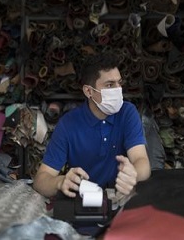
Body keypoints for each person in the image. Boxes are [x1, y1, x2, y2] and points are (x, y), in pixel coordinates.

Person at [33, 52, 151, 198]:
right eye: (109, 85)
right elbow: (41, 180)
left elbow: (141, 160)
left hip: (120, 199)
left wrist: (133, 175)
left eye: (119, 83)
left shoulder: (127, 113)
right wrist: (60, 181)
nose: (118, 90)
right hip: (82, 203)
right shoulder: (68, 124)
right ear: (88, 91)